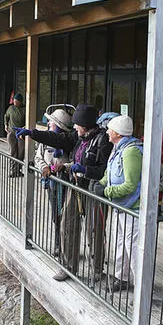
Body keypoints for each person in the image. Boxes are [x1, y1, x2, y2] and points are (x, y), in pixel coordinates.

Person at [15, 104, 112, 282]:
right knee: (68, 224)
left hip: (94, 192)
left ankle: (98, 270)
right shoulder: (78, 137)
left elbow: (105, 170)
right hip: (75, 187)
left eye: (77, 124)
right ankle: (68, 268)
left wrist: (85, 169)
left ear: (85, 124)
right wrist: (32, 133)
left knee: (95, 230)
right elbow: (56, 138)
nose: (74, 127)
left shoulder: (102, 141)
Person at [93, 115, 143, 292]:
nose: (107, 131)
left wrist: (106, 192)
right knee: (121, 242)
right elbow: (110, 172)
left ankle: (141, 288)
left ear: (118, 133)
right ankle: (122, 278)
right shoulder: (118, 148)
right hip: (122, 206)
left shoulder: (131, 152)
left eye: (110, 129)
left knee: (134, 247)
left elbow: (130, 185)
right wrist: (102, 183)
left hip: (133, 207)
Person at [34, 109, 73, 257]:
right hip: (52, 183)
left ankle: (66, 247)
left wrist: (65, 167)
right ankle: (58, 244)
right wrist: (44, 167)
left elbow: (74, 160)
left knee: (67, 216)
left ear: (57, 125)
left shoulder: (69, 143)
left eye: (51, 121)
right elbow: (38, 157)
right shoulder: (45, 142)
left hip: (66, 182)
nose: (48, 123)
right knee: (56, 215)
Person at [4, 93, 26, 177]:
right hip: (11, 132)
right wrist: (5, 125)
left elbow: (27, 120)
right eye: (14, 101)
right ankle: (13, 170)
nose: (15, 103)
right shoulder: (10, 108)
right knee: (13, 151)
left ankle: (18, 170)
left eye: (16, 101)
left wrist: (24, 128)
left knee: (21, 152)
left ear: (20, 102)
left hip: (21, 133)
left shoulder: (24, 109)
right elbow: (6, 116)